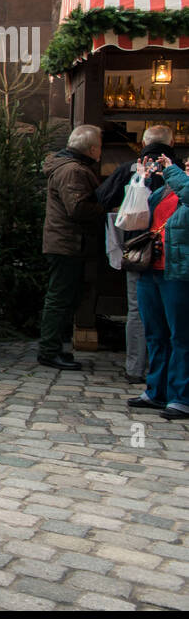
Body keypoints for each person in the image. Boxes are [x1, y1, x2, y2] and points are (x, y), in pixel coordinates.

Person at [97, 124, 177, 386]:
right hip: (173, 249)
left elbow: (102, 198)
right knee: (173, 312)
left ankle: (135, 367)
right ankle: (165, 371)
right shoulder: (179, 171)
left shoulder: (130, 168)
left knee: (138, 310)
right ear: (172, 143)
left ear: (143, 143)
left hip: (138, 248)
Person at [37, 125, 106, 370]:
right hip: (67, 242)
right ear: (92, 148)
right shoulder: (73, 171)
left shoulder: (71, 167)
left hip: (68, 241)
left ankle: (54, 347)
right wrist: (106, 207)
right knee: (60, 297)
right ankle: (49, 350)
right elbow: (77, 209)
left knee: (65, 297)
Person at [127, 153, 189, 420]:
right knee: (155, 332)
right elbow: (139, 215)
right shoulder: (166, 190)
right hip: (151, 267)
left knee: (181, 336)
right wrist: (141, 182)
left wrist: (175, 174)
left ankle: (181, 396)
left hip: (178, 272)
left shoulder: (180, 186)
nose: (186, 167)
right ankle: (156, 390)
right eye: (187, 163)